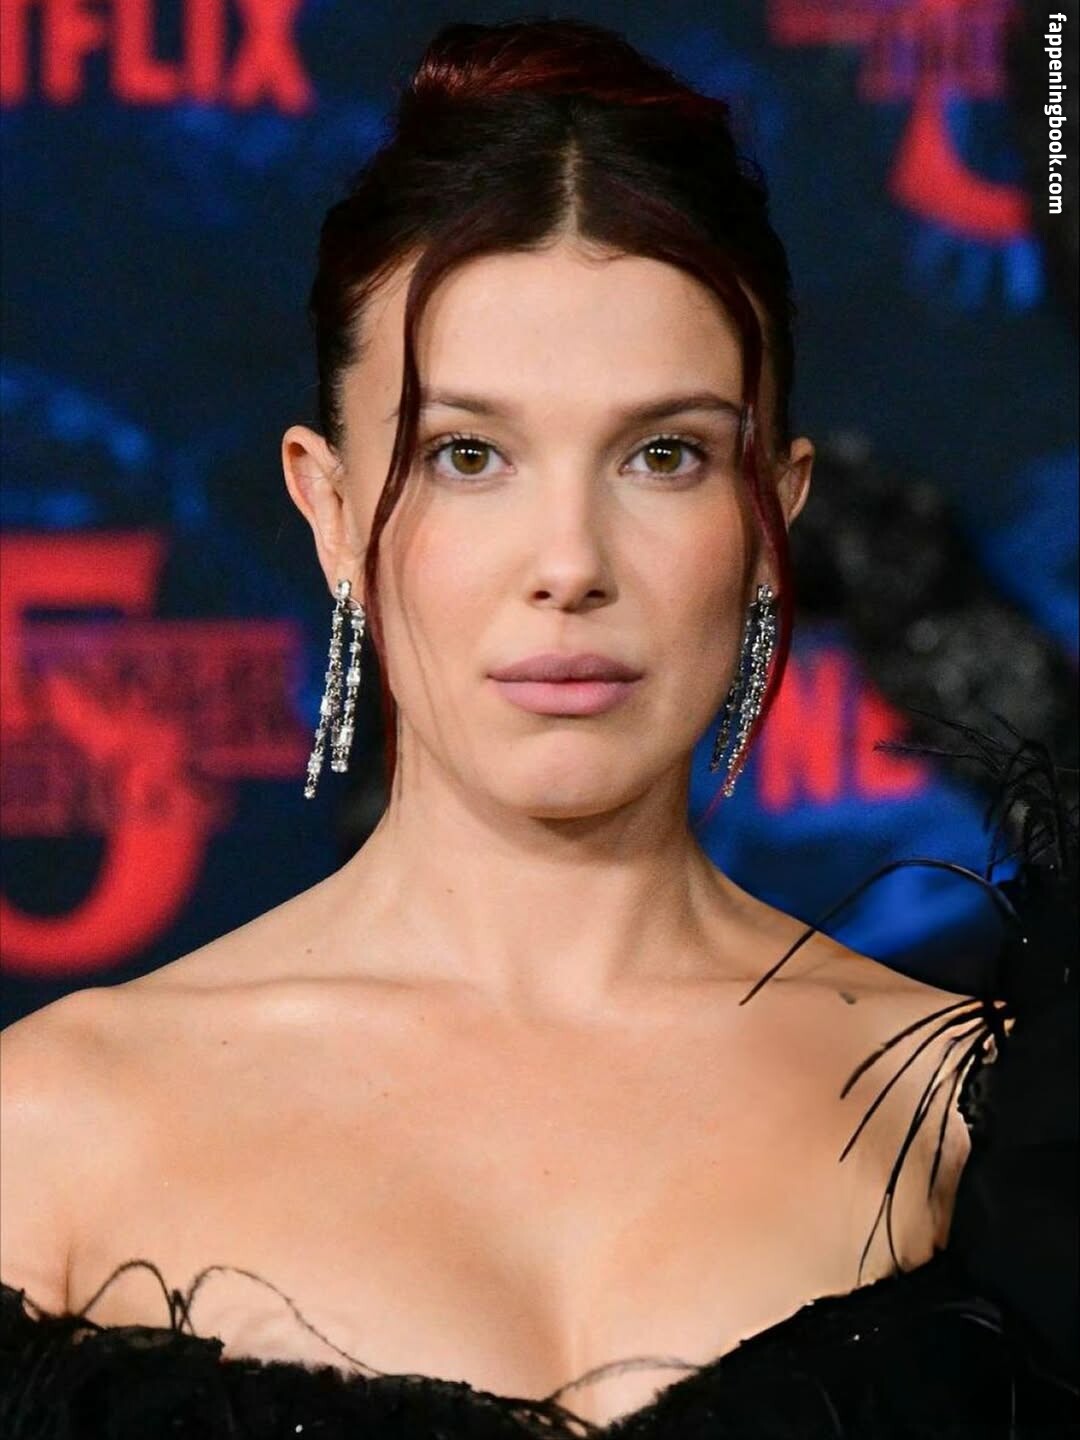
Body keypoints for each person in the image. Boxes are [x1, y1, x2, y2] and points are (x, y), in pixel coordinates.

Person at [1, 18, 1075, 1438]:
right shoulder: (48, 1131)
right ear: (330, 508)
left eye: (664, 455)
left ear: (774, 514)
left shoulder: (965, 1116)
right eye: (469, 455)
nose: (569, 561)